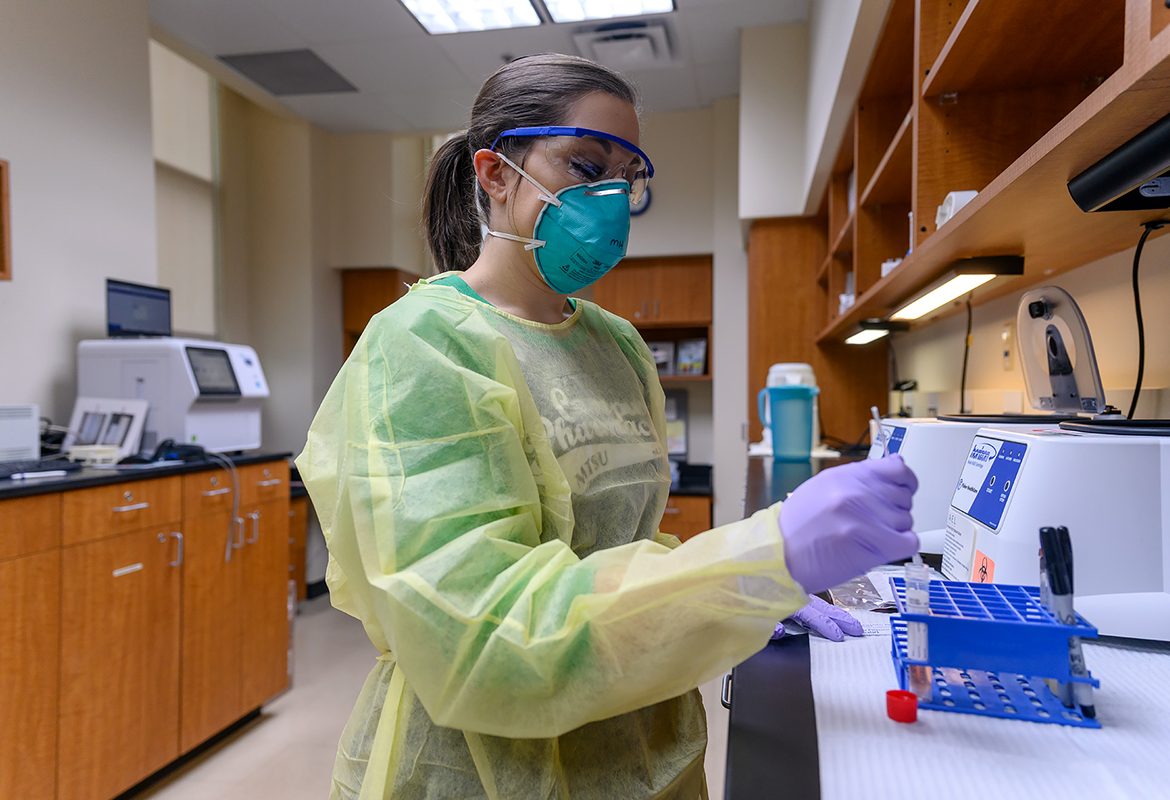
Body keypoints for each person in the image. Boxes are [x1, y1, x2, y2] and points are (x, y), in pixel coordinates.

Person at [297, 53, 918, 800]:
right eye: (587, 167)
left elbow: (623, 547)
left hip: (642, 745)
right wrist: (757, 560)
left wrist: (738, 595)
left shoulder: (617, 344)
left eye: (627, 177)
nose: (612, 199)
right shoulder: (425, 345)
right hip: (484, 765)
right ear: (495, 174)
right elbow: (480, 633)